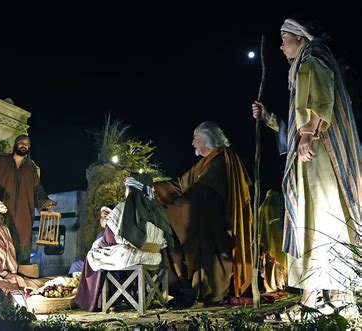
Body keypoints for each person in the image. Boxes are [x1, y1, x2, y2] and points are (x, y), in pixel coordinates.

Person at [252, 18, 361, 321]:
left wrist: (310, 132)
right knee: (312, 217)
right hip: (313, 153)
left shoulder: (313, 58)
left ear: (301, 38)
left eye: (285, 38)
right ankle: (316, 296)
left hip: (320, 157)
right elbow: (293, 124)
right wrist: (269, 118)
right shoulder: (307, 61)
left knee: (323, 216)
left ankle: (333, 295)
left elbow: (320, 100)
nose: (281, 44)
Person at [153, 121, 253, 305]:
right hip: (202, 220)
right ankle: (183, 288)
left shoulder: (222, 159)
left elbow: (203, 194)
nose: (192, 143)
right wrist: (153, 189)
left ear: (206, 139)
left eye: (195, 138)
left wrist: (174, 209)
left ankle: (203, 292)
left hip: (216, 226)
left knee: (173, 220)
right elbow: (180, 185)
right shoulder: (205, 162)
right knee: (166, 225)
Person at [75, 172, 174, 312]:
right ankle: (128, 297)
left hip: (132, 256)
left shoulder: (125, 208)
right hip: (154, 258)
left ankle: (102, 302)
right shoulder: (156, 209)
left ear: (130, 189)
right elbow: (165, 241)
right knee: (115, 254)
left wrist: (99, 245)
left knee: (94, 256)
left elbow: (109, 239)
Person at [0, 135, 55, 265]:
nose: (24, 145)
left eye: (27, 144)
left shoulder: (31, 168)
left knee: (22, 236)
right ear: (16, 144)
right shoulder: (1, 161)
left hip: (24, 212)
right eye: (21, 142)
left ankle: (19, 271)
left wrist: (45, 202)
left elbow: (37, 189)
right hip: (2, 209)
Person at [67, 206, 113, 276]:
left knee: (76, 266)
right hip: (96, 260)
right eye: (101, 217)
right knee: (76, 265)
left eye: (105, 216)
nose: (102, 219)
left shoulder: (112, 233)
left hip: (103, 263)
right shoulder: (102, 233)